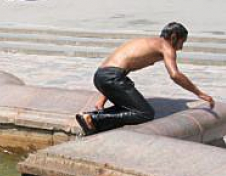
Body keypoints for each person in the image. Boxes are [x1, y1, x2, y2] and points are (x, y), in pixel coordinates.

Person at [76, 22, 215, 136]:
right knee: (145, 113)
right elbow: (175, 75)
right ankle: (94, 119)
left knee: (128, 107)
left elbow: (120, 69)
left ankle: (89, 117)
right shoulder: (165, 46)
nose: (181, 48)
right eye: (181, 42)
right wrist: (199, 93)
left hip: (101, 76)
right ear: (173, 37)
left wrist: (101, 101)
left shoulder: (146, 42)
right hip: (112, 77)